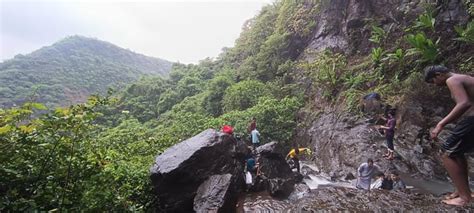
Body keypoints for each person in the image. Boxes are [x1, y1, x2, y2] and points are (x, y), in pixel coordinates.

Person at [424, 65, 474, 206]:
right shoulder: (465, 77)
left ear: (439, 75)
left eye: (433, 81)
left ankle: (464, 198)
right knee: (457, 152)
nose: (434, 85)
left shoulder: (452, 80)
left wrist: (441, 124)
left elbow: (464, 103)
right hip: (471, 119)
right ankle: (463, 191)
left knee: (446, 152)